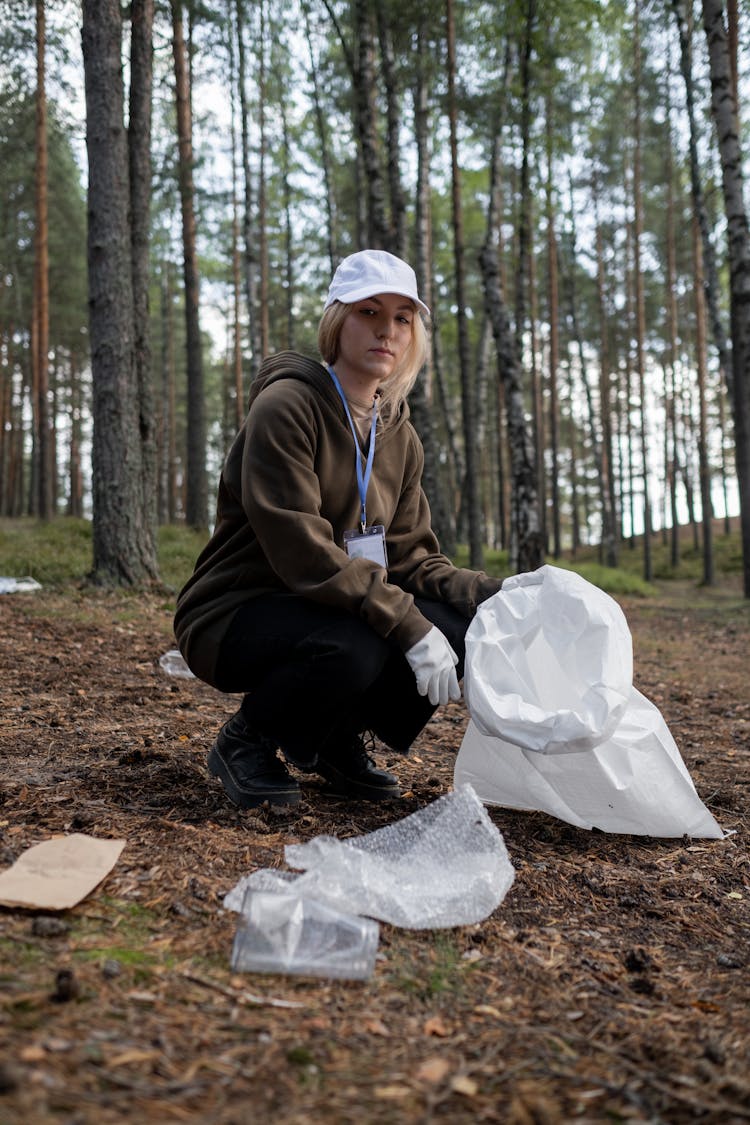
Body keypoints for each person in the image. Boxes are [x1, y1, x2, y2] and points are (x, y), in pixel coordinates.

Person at [174, 249, 501, 808]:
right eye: (369, 312)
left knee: (461, 625)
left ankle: (331, 739)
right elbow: (303, 553)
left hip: (330, 607)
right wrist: (407, 626)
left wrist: (498, 594)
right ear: (336, 321)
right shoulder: (285, 408)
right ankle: (247, 740)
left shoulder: (399, 435)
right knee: (359, 643)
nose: (387, 331)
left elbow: (412, 559)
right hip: (237, 610)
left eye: (402, 318)